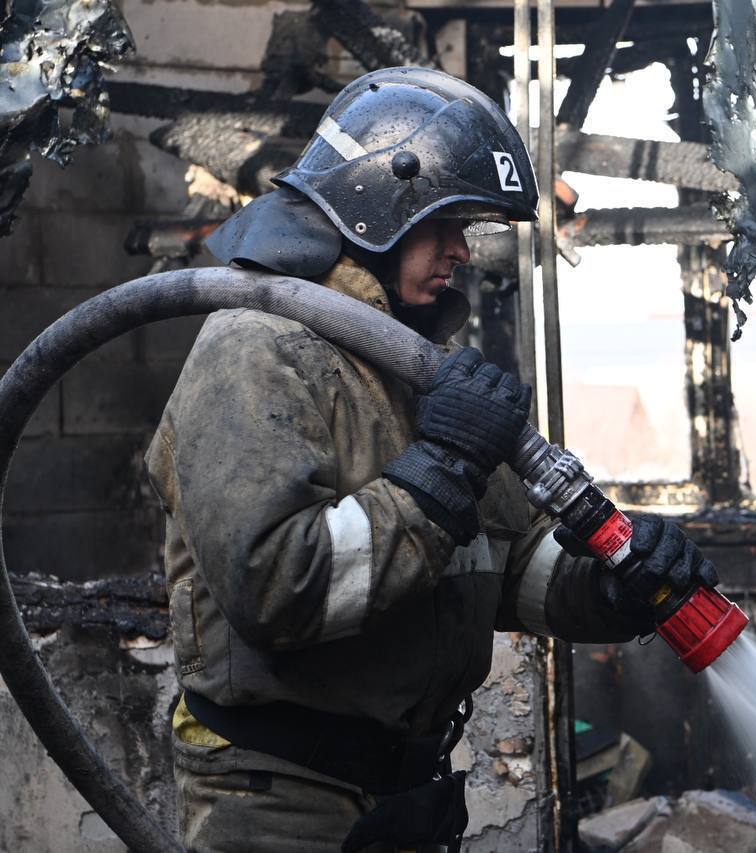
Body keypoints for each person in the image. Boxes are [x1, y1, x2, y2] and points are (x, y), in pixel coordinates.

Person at [145, 67, 717, 853]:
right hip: (280, 803)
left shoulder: (415, 362)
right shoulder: (256, 349)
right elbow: (280, 585)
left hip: (401, 790)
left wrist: (609, 584)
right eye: (445, 223)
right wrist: (444, 462)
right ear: (375, 200)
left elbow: (502, 561)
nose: (461, 250)